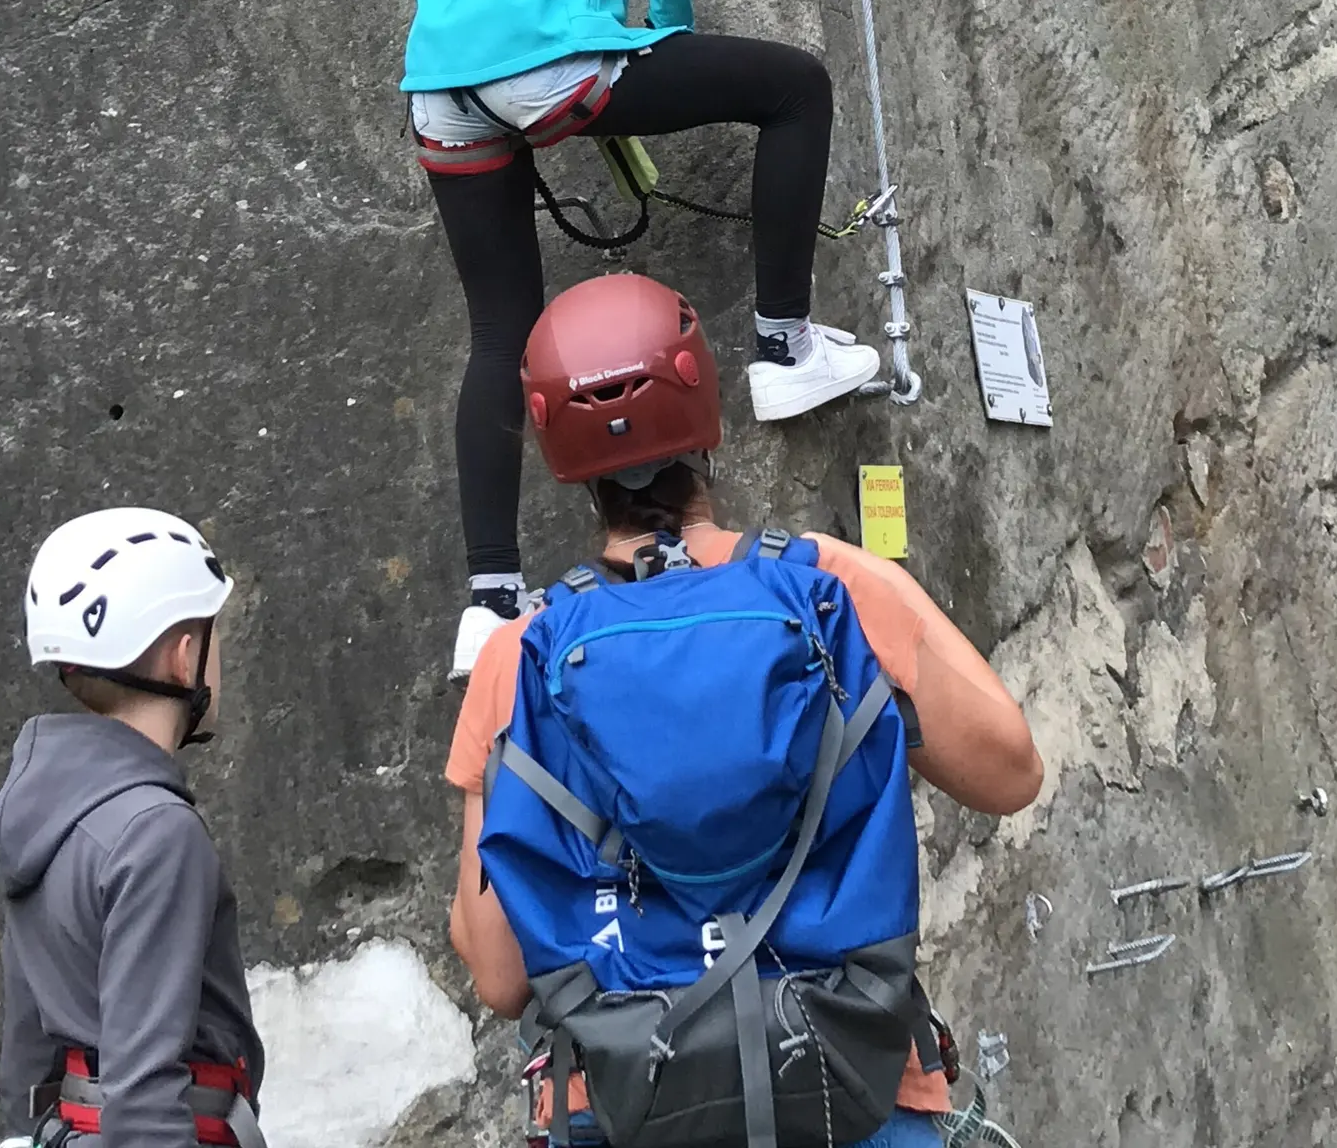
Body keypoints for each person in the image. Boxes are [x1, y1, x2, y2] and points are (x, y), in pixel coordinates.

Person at [446, 275, 1043, 1148]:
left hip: (623, 1105)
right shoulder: (823, 588)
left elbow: (500, 975)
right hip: (846, 1090)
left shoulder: (519, 658)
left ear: (556, 447)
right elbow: (1010, 771)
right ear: (704, 407)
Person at [399, 0, 882, 679]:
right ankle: (786, 347)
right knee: (796, 88)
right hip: (556, 62)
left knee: (499, 328)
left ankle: (488, 604)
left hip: (444, 90)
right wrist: (662, 33)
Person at [0, 510, 263, 1148]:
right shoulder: (158, 833)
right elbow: (143, 1094)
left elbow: (29, 1053)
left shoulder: (38, 805)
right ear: (185, 655)